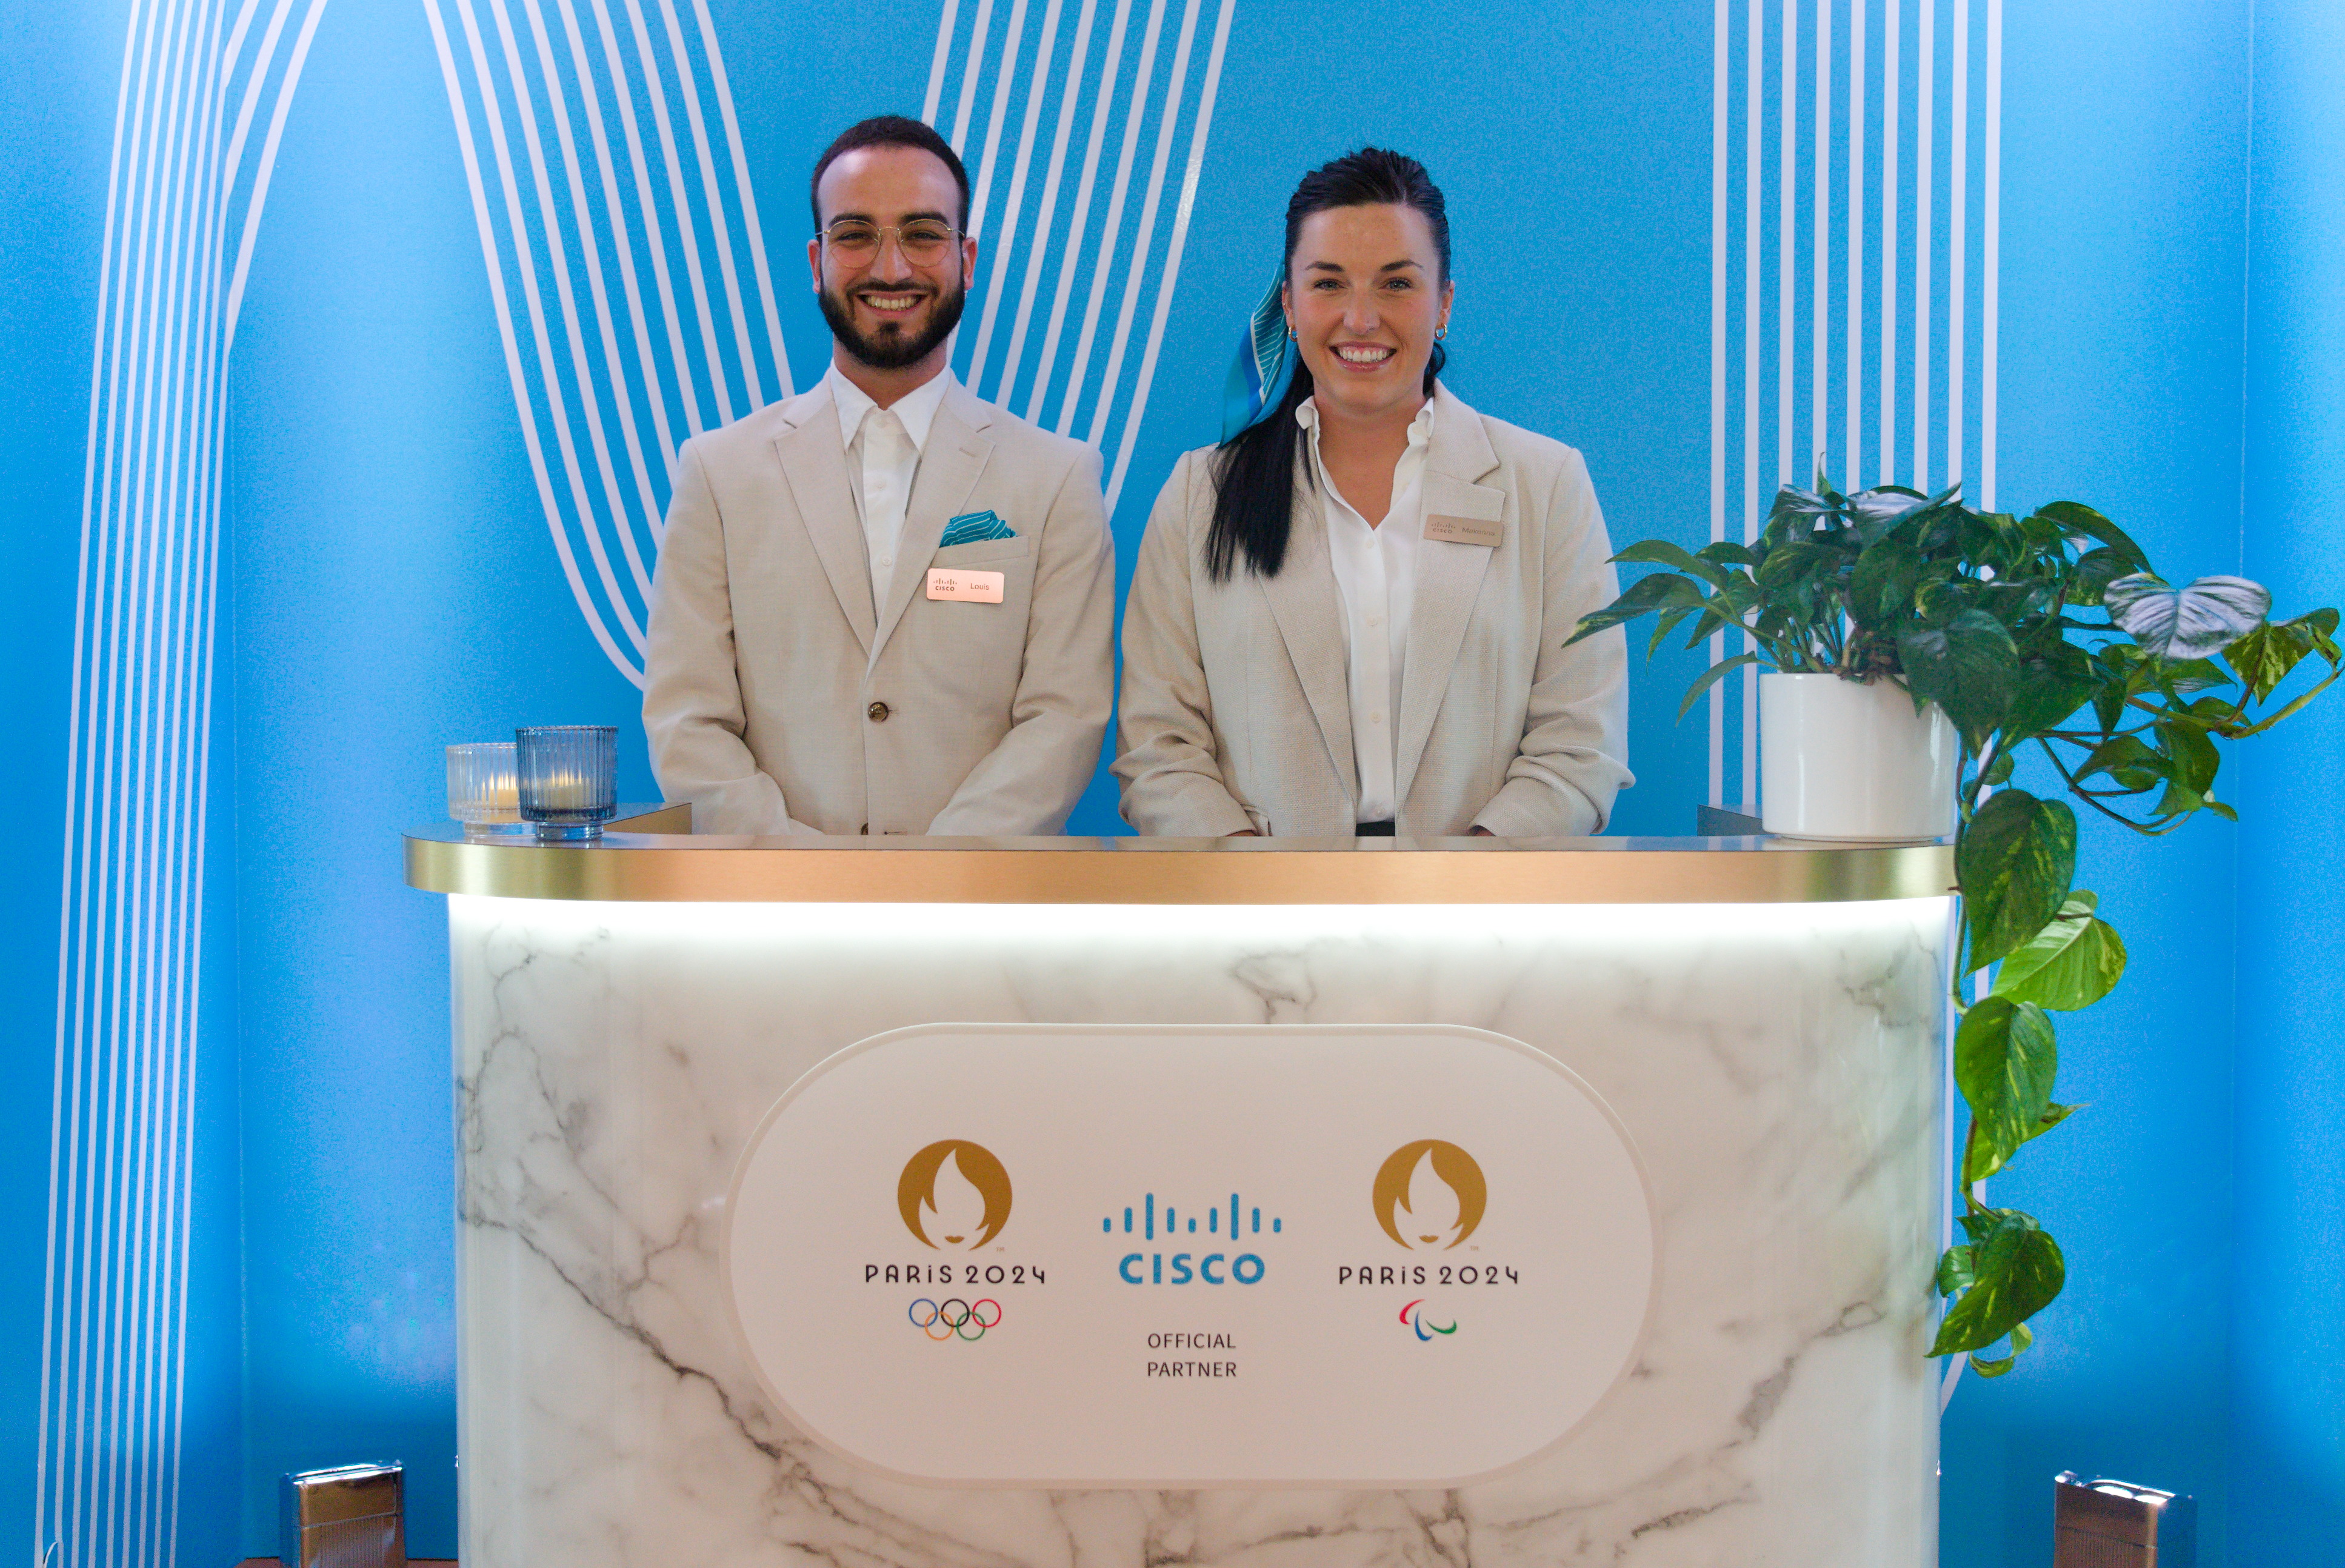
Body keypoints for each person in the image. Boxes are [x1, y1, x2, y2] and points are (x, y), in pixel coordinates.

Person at [1113, 147, 1632, 838]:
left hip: (1480, 917)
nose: (1360, 319)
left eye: (1395, 285)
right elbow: (1159, 744)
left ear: (1443, 301)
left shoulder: (1546, 485)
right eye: (1328, 285)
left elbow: (1578, 743)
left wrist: (1460, 887)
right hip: (1260, 916)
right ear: (1289, 307)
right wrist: (1255, 887)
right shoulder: (1199, 496)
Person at [643, 115, 1114, 835]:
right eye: (856, 235)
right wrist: (808, 880)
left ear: (966, 259)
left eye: (922, 235)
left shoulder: (1054, 478)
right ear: (816, 260)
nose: (890, 268)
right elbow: (687, 717)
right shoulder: (718, 472)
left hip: (975, 925)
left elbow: (1063, 716)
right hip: (774, 927)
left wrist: (930, 884)